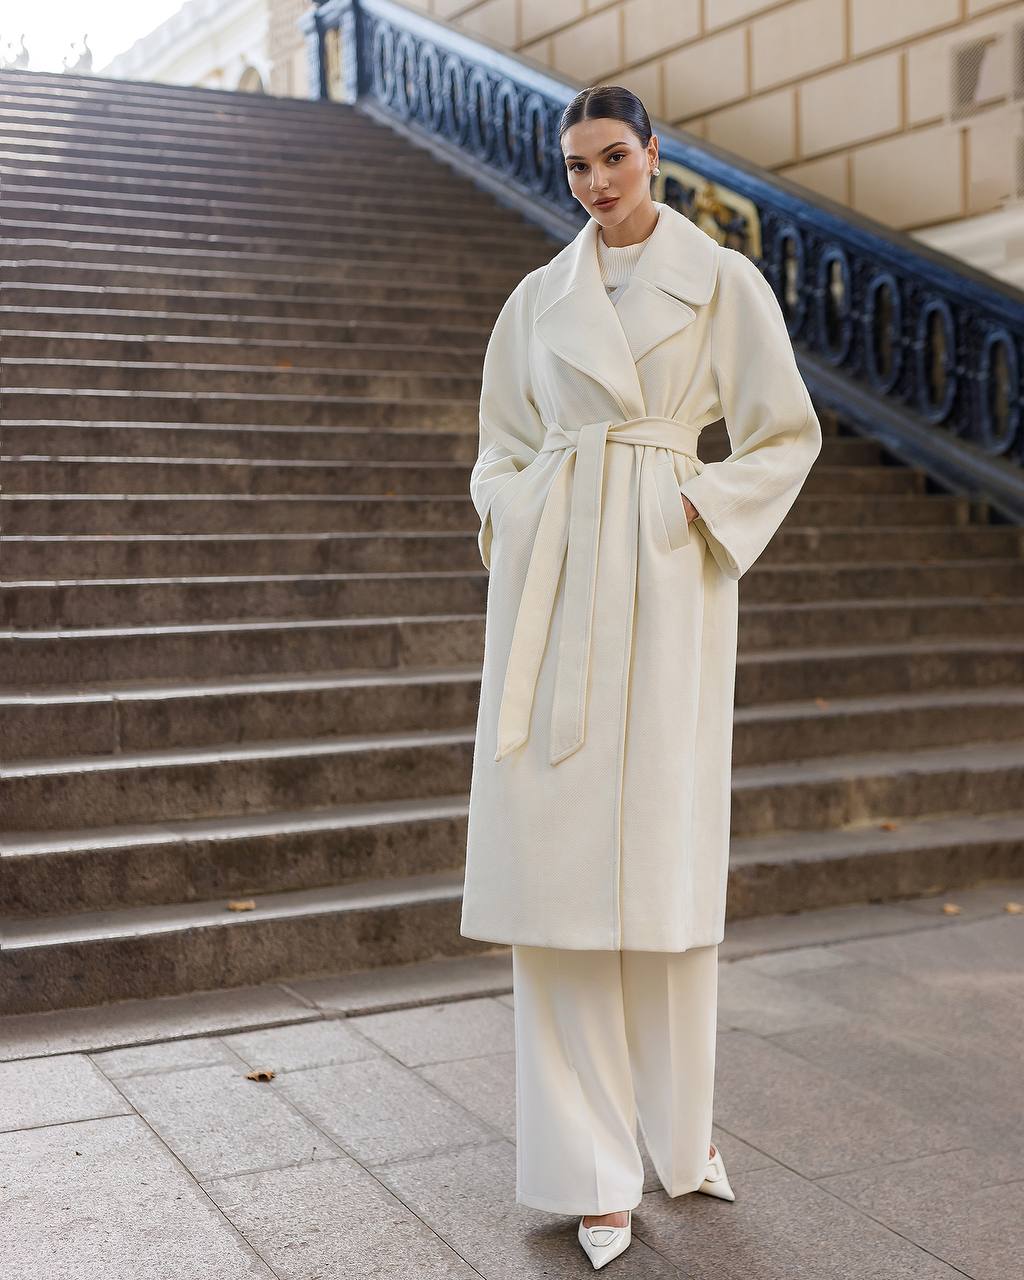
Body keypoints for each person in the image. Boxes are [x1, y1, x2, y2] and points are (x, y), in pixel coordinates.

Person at [460, 84, 823, 1268]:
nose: (597, 181)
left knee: (664, 880)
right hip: (557, 588)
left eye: (613, 156)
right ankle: (588, 1170)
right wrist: (524, 511)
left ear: (653, 153)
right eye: (575, 165)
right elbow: (498, 449)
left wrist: (692, 506)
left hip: (668, 584)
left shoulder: (723, 284)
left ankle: (678, 1134)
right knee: (560, 896)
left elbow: (782, 431)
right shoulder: (535, 301)